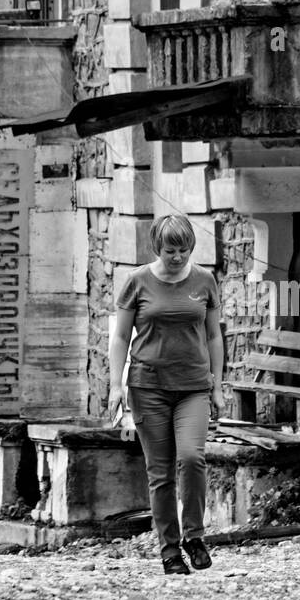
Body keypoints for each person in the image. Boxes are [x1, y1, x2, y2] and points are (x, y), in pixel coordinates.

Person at [109, 214, 225, 575]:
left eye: (184, 250)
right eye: (170, 250)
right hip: (148, 387)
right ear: (157, 248)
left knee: (192, 458)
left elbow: (214, 336)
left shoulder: (204, 281)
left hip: (193, 387)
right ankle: (170, 552)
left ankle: (194, 535)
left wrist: (218, 385)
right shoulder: (137, 282)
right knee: (160, 474)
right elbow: (119, 337)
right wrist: (116, 385)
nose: (177, 257)